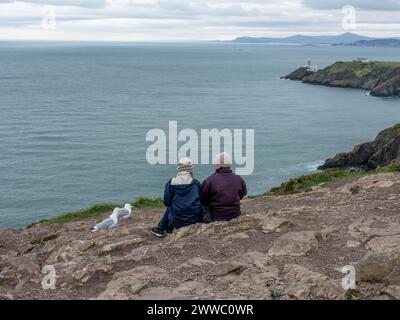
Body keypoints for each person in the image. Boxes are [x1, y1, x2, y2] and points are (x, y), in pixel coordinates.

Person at [151, 157, 202, 238]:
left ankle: (160, 229)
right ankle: (167, 228)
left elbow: (166, 202)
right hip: (193, 219)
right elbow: (202, 199)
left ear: (179, 168)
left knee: (171, 205)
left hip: (177, 220)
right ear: (190, 169)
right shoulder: (196, 183)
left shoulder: (171, 182)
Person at [201, 152, 247, 222]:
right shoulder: (239, 178)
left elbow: (203, 199)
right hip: (235, 214)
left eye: (216, 164)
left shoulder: (209, 180)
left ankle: (206, 221)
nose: (215, 165)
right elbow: (244, 193)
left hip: (217, 216)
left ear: (219, 165)